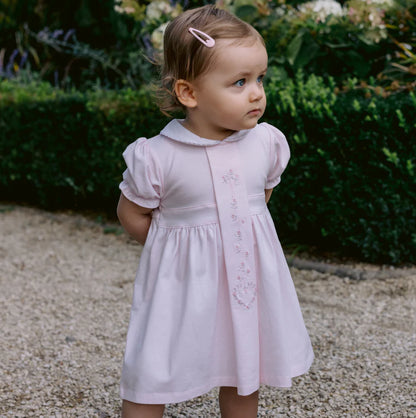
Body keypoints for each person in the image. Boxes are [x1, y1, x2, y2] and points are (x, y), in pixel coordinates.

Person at [117, 5, 314, 418]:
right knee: (156, 360)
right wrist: (170, 248)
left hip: (245, 280)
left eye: (260, 78)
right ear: (189, 93)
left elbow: (259, 199)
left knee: (244, 359)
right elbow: (131, 213)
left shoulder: (265, 143)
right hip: (180, 282)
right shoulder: (159, 156)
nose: (256, 93)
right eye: (240, 82)